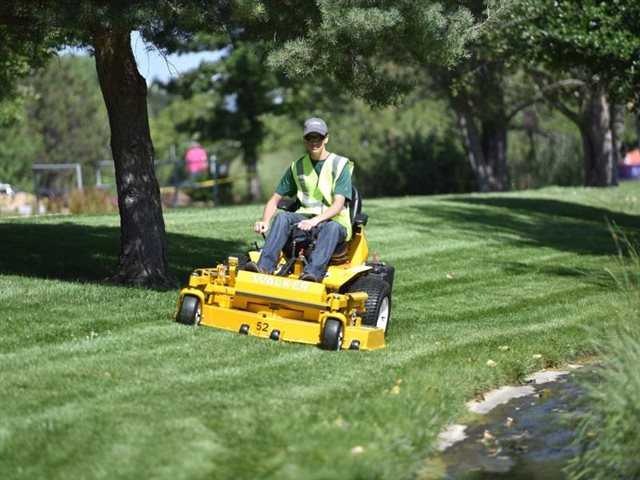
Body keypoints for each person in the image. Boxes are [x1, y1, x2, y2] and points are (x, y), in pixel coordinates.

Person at [245, 117, 353, 282]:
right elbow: (274, 200)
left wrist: (316, 221)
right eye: (310, 138)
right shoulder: (297, 167)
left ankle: (311, 275)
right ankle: (264, 267)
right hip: (305, 221)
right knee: (282, 217)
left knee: (331, 228)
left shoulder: (340, 165)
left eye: (318, 137)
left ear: (326, 138)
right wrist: (265, 221)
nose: (314, 142)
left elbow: (338, 205)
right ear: (305, 140)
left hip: (335, 223)